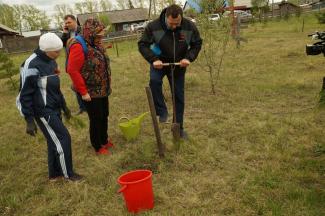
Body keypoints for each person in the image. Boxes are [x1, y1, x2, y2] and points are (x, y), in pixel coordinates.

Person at [16, 33, 82, 182]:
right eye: (56, 51)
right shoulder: (31, 65)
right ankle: (68, 175)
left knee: (53, 141)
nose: (59, 54)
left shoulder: (51, 61)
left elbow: (54, 87)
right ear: (46, 49)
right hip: (43, 110)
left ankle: (55, 174)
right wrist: (29, 120)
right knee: (63, 137)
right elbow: (24, 95)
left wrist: (64, 107)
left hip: (54, 107)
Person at [138, 4, 202, 139]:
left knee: (178, 97)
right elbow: (143, 44)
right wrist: (153, 59)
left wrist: (188, 58)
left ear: (181, 18)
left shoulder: (188, 27)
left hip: (178, 65)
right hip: (159, 63)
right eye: (171, 23)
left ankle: (178, 129)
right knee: (154, 82)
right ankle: (161, 111)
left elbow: (197, 44)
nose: (174, 26)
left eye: (177, 23)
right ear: (166, 17)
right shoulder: (154, 26)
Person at [66, 18, 113, 155]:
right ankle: (97, 146)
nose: (101, 38)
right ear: (90, 33)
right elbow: (72, 70)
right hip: (90, 91)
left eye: (102, 35)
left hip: (102, 88)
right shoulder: (78, 46)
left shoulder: (95, 42)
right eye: (98, 36)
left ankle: (104, 140)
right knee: (96, 118)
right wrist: (83, 92)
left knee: (104, 114)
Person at [61, 14, 86, 115]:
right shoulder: (67, 34)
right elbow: (61, 44)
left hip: (83, 62)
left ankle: (89, 105)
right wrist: (64, 33)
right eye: (66, 23)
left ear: (75, 21)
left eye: (69, 22)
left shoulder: (82, 31)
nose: (67, 24)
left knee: (84, 84)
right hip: (72, 63)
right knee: (76, 85)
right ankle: (82, 107)